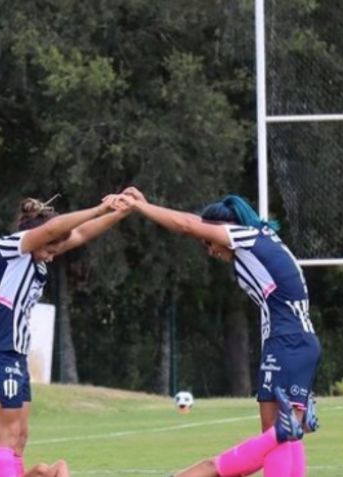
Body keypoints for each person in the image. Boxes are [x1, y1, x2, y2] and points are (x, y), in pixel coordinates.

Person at [116, 188, 321, 477]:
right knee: (283, 434)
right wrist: (149, 205)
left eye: (209, 241)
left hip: (285, 342)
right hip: (300, 343)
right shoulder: (262, 241)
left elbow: (187, 225)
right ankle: (295, 426)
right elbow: (192, 221)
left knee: (276, 433)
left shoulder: (247, 237)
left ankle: (282, 432)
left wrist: (140, 208)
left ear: (225, 229)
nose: (210, 249)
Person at [0, 195, 128, 476]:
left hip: (16, 353)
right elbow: (50, 232)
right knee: (6, 436)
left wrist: (119, 213)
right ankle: (48, 472)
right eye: (50, 249)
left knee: (20, 437)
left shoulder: (41, 253)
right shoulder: (12, 246)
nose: (52, 255)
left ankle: (48, 471)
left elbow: (79, 233)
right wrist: (98, 207)